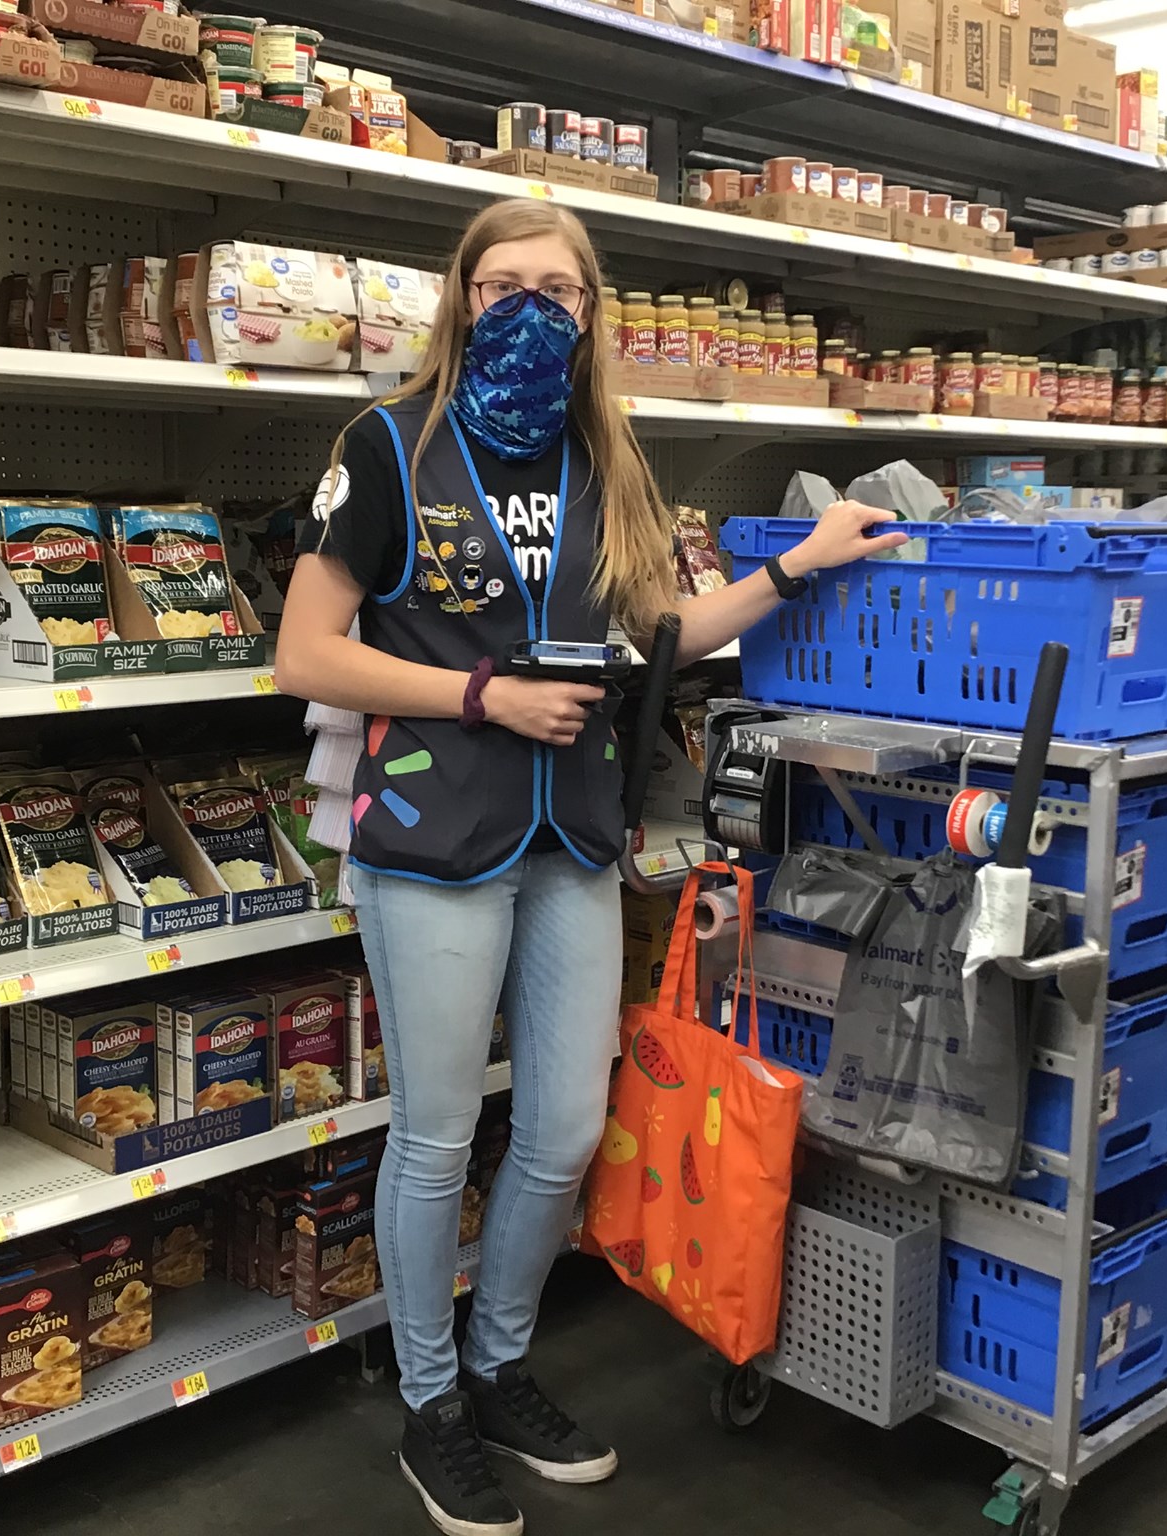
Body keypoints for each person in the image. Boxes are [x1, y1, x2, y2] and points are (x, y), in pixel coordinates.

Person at [275, 198, 903, 1536]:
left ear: (590, 311)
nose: (527, 310)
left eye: (555, 290)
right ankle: (431, 1403)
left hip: (572, 835)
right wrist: (484, 696)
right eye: (500, 284)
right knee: (438, 1134)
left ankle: (501, 1366)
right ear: (461, 298)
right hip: (433, 834)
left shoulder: (604, 455)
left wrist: (796, 568)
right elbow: (306, 654)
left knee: (564, 1128)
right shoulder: (387, 446)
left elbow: (662, 628)